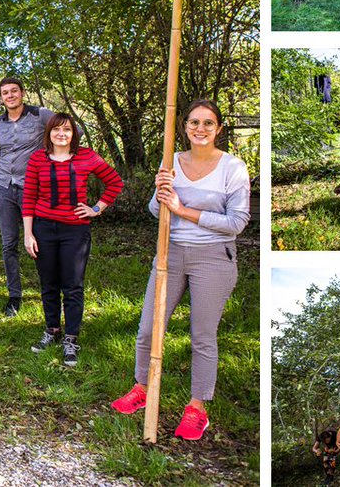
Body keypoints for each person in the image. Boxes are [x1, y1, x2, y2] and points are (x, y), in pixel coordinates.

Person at [110, 101, 251, 441]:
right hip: (169, 253)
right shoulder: (172, 160)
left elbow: (237, 222)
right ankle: (142, 387)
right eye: (193, 123)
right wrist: (160, 195)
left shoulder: (233, 167)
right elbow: (155, 209)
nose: (200, 129)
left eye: (208, 123)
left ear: (218, 129)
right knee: (148, 328)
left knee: (202, 335)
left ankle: (196, 408)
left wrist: (184, 210)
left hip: (213, 257)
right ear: (184, 127)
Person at [22, 112, 123, 367]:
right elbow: (29, 198)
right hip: (44, 229)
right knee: (48, 284)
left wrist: (96, 208)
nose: (62, 134)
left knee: (73, 286)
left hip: (75, 231)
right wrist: (28, 233)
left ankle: (71, 338)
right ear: (49, 133)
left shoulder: (87, 157)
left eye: (67, 130)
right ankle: (52, 330)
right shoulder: (37, 159)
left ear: (74, 133)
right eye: (56, 130)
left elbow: (115, 182)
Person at [0, 77, 53, 317]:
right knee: (8, 244)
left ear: (22, 93)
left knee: (38, 242)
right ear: (1, 98)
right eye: (5, 93)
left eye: (14, 91)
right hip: (4, 188)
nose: (10, 95)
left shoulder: (40, 115)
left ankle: (49, 294)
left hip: (32, 189)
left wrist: (52, 160)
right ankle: (14, 296)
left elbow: (70, 130)